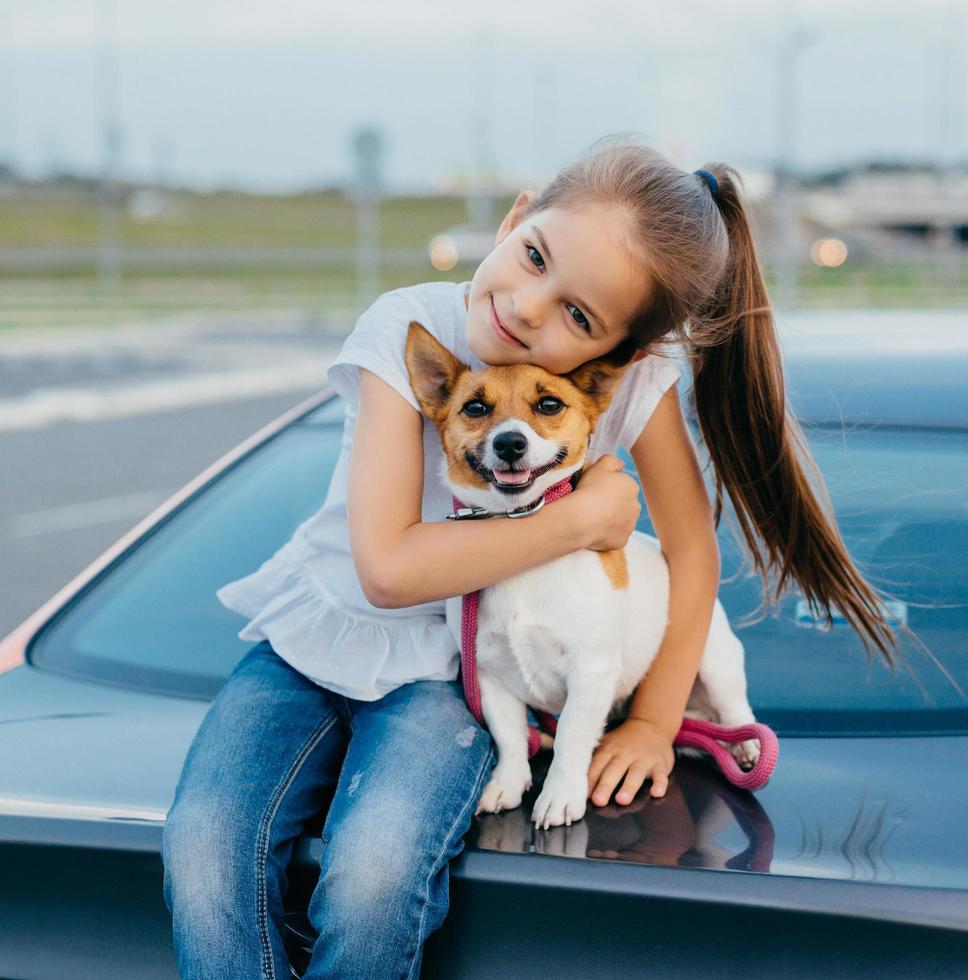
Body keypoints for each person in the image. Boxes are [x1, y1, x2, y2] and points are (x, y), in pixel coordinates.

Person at [161, 138, 896, 978]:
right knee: (204, 842)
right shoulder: (414, 331)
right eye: (535, 256)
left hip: (460, 672)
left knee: (372, 875)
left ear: (619, 354)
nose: (528, 308)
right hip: (319, 632)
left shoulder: (625, 392)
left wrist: (656, 721)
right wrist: (581, 521)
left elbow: (691, 551)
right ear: (515, 218)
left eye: (579, 316)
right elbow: (389, 570)